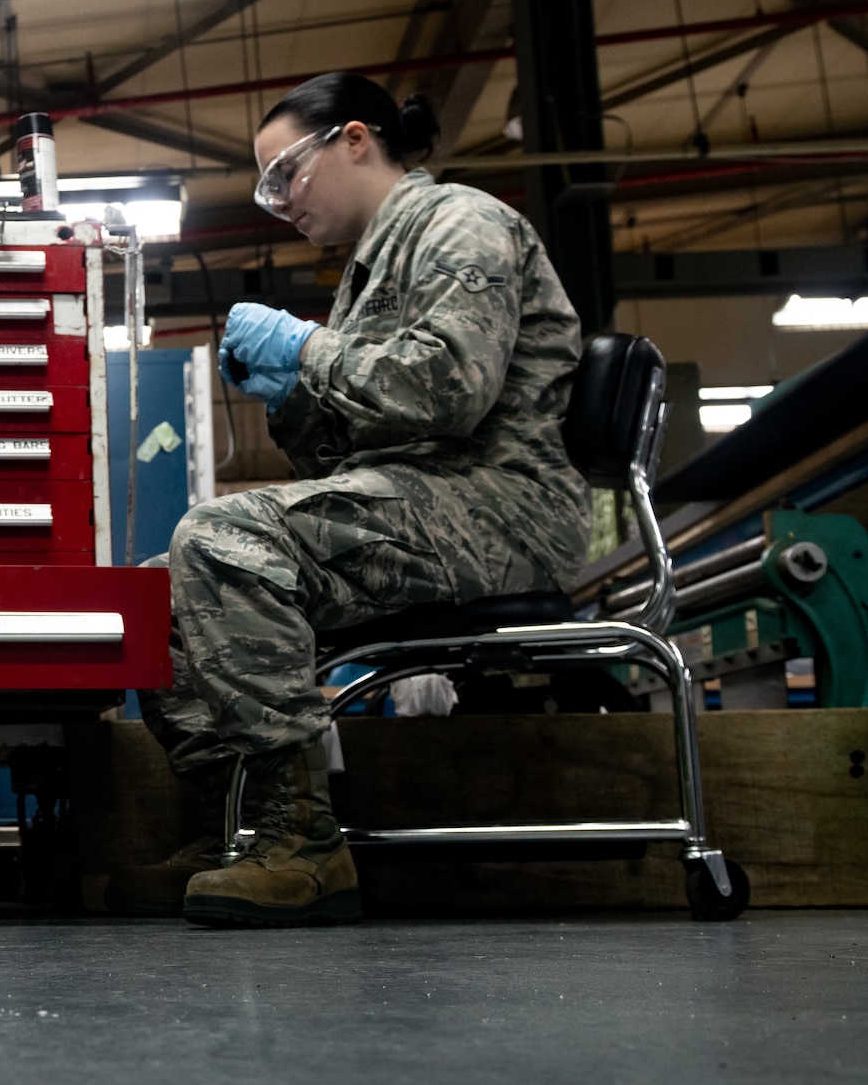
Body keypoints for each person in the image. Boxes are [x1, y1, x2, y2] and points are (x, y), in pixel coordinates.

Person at [108, 73, 590, 929]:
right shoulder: (368, 275)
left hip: (501, 509)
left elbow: (448, 393)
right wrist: (291, 392)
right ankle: (242, 828)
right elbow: (350, 455)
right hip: (424, 503)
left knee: (222, 538)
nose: (276, 200)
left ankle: (302, 843)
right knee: (156, 592)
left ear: (355, 140)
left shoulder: (459, 225)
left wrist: (308, 348)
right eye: (265, 185)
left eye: (285, 172)